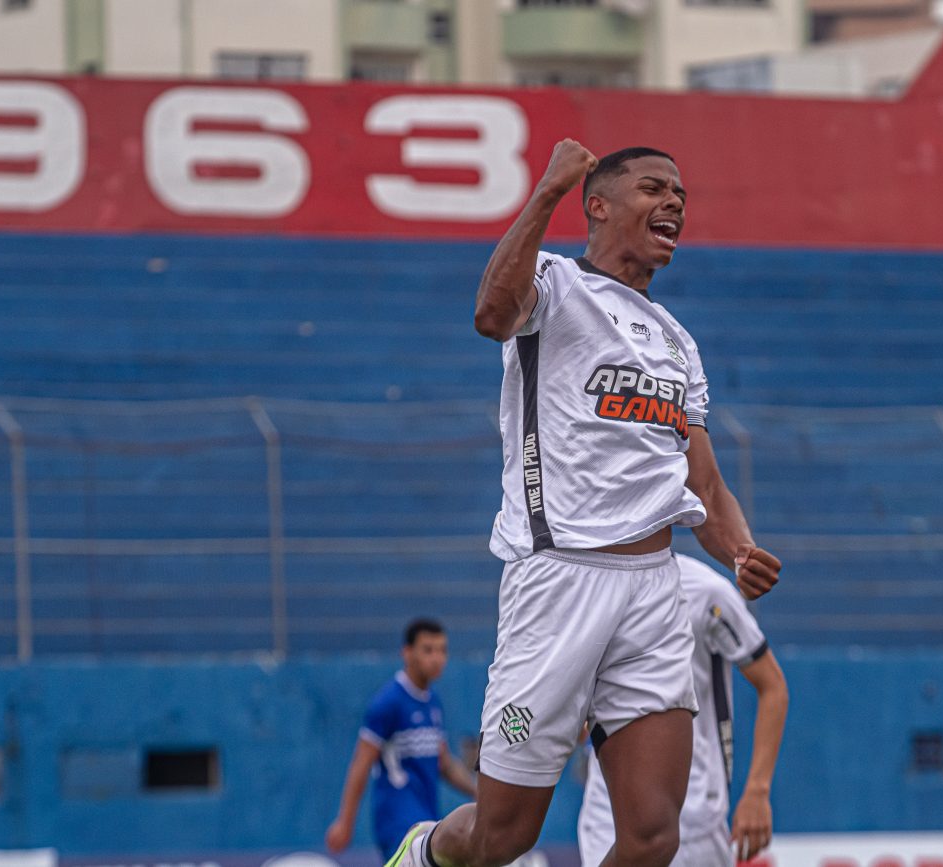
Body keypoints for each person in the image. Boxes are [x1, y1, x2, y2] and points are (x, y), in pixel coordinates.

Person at [385, 140, 781, 867]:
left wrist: (741, 550)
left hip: (654, 589)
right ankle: (423, 853)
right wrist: (544, 193)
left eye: (682, 196)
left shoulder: (677, 342)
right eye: (654, 188)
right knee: (505, 834)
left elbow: (705, 482)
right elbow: (489, 315)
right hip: (559, 577)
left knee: (654, 834)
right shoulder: (553, 284)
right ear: (596, 204)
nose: (674, 204)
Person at [578, 552, 789, 866]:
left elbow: (773, 687)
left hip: (696, 822)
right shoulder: (586, 590)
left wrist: (757, 792)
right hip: (608, 814)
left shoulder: (707, 592)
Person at [326, 618, 476, 863]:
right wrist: (345, 821)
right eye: (428, 650)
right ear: (407, 653)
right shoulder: (388, 703)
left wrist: (477, 791)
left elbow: (444, 764)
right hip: (398, 821)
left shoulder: (432, 703)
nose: (437, 657)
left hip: (427, 816)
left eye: (442, 650)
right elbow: (361, 763)